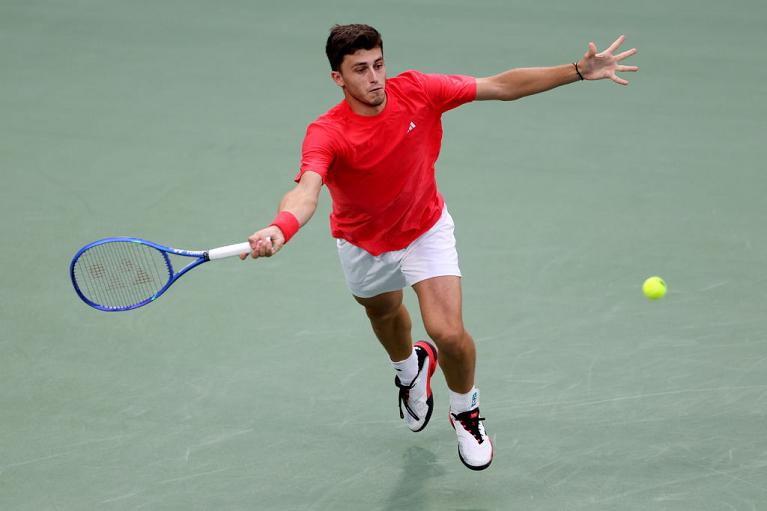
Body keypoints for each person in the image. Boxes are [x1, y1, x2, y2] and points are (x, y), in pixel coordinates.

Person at [240, 24, 638, 471]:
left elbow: (502, 86)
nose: (373, 78)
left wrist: (578, 71)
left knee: (447, 332)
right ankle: (409, 369)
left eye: (378, 65)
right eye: (359, 70)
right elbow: (306, 191)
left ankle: (465, 409)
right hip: (362, 242)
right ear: (338, 78)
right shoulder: (327, 132)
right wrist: (281, 227)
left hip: (424, 229)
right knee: (383, 313)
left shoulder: (419, 90)